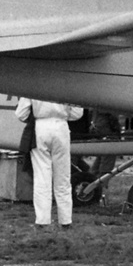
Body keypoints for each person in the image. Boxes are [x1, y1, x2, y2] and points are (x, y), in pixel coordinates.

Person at [14, 97, 84, 229]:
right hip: (61, 126)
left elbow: (21, 114)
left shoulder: (34, 83)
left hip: (40, 126)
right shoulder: (67, 83)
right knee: (63, 177)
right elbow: (77, 113)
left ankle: (42, 221)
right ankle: (65, 220)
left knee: (42, 177)